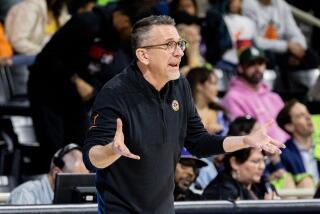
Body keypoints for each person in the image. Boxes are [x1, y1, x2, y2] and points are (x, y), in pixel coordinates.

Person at [83, 15, 284, 213]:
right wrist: (112, 150)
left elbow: (198, 142)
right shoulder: (114, 93)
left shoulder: (180, 84)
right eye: (169, 45)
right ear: (143, 55)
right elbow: (91, 159)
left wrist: (245, 141)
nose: (179, 52)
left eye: (180, 44)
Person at [27, 0, 152, 173]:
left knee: (81, 147)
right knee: (54, 148)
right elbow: (47, 58)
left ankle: (76, 193)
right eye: (135, 31)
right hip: (48, 91)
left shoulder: (119, 40)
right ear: (124, 20)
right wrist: (75, 79)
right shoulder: (86, 23)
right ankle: (44, 190)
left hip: (76, 98)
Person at [221, 46, 289, 144]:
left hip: (287, 150)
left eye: (260, 63)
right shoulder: (232, 98)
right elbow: (243, 134)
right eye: (251, 64)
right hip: (260, 153)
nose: (257, 68)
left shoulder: (274, 97)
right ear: (240, 68)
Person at [203, 116, 279, 200]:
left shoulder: (265, 186)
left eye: (263, 161)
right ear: (234, 163)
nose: (262, 166)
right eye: (255, 162)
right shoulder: (221, 191)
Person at [7, 143, 89, 205]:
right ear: (56, 174)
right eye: (78, 180)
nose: (82, 187)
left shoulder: (77, 198)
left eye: (86, 180)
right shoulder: (25, 194)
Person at [276, 99, 318, 191]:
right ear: (289, 126)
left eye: (307, 113)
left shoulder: (318, 145)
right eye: (301, 115)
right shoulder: (283, 154)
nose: (308, 117)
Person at [5, 0, 70, 55]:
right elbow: (18, 41)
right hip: (24, 57)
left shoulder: (61, 9)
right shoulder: (30, 7)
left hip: (49, 58)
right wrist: (47, 52)